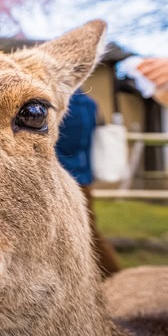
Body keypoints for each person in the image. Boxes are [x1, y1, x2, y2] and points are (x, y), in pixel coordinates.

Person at [56, 90, 121, 279]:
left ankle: (113, 275)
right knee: (88, 231)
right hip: (84, 176)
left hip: (64, 174)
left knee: (86, 235)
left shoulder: (59, 102)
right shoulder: (90, 104)